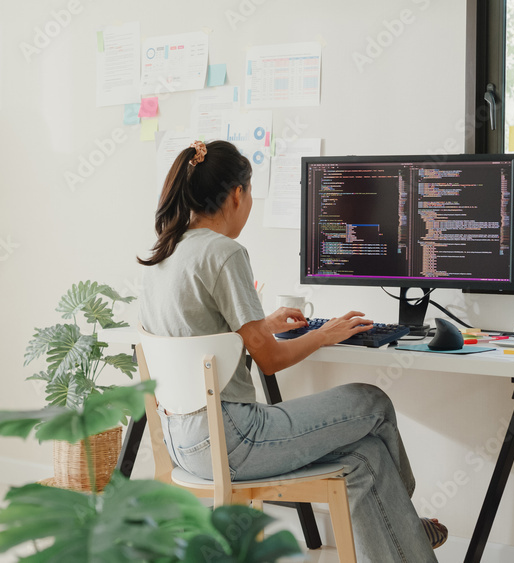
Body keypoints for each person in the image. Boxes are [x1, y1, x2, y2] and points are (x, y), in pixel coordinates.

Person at [137, 140, 446, 562]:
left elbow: (200, 338)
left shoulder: (164, 252)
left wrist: (263, 326)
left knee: (366, 456)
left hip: (184, 444)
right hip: (233, 439)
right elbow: (270, 360)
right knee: (373, 402)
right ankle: (410, 521)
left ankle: (407, 542)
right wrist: (327, 332)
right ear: (238, 194)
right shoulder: (224, 252)